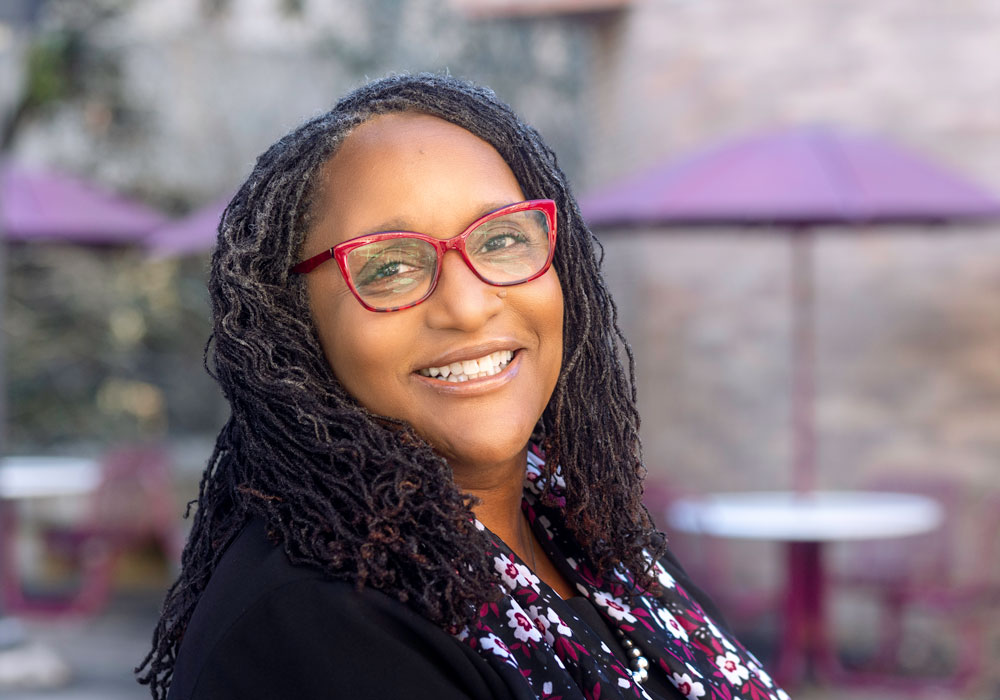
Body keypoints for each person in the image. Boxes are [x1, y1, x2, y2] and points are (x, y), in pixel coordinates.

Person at [137, 74, 788, 700]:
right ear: (293, 323)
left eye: (502, 238)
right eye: (390, 265)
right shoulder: (314, 621)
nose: (469, 306)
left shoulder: (586, 535)